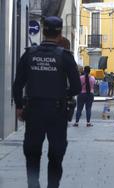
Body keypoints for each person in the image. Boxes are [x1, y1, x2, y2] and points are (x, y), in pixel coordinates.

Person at [13, 16, 81, 188]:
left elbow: (17, 84)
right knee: (56, 154)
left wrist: (20, 106)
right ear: (59, 34)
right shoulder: (65, 57)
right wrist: (60, 93)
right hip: (57, 112)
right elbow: (76, 88)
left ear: (43, 31)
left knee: (32, 152)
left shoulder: (29, 54)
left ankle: (33, 185)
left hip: (33, 110)